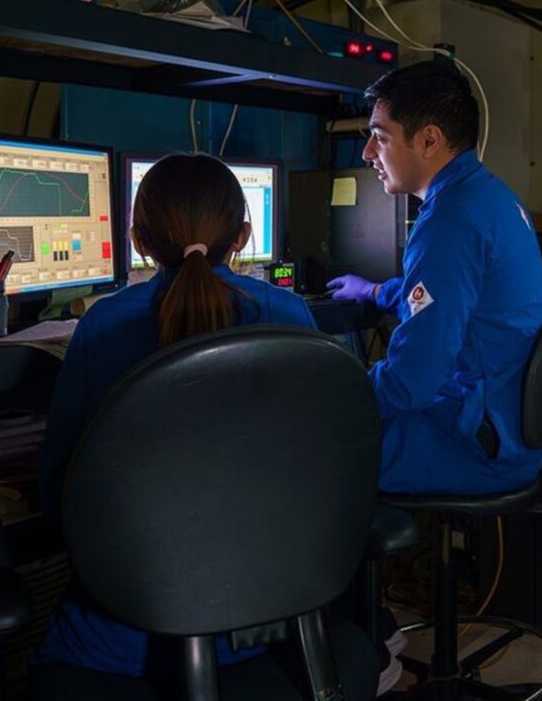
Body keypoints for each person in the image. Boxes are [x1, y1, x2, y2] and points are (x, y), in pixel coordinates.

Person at [31, 154, 364, 690]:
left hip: (128, 643)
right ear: (244, 235)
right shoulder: (289, 314)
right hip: (271, 621)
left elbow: (59, 497)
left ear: (138, 240)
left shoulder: (102, 325)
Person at [327, 60, 542, 496]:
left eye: (380, 136)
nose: (367, 154)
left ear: (429, 139)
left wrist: (332, 389)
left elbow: (410, 384)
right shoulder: (488, 196)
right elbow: (455, 299)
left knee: (298, 443)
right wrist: (376, 292)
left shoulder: (450, 221)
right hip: (503, 429)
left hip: (473, 447)